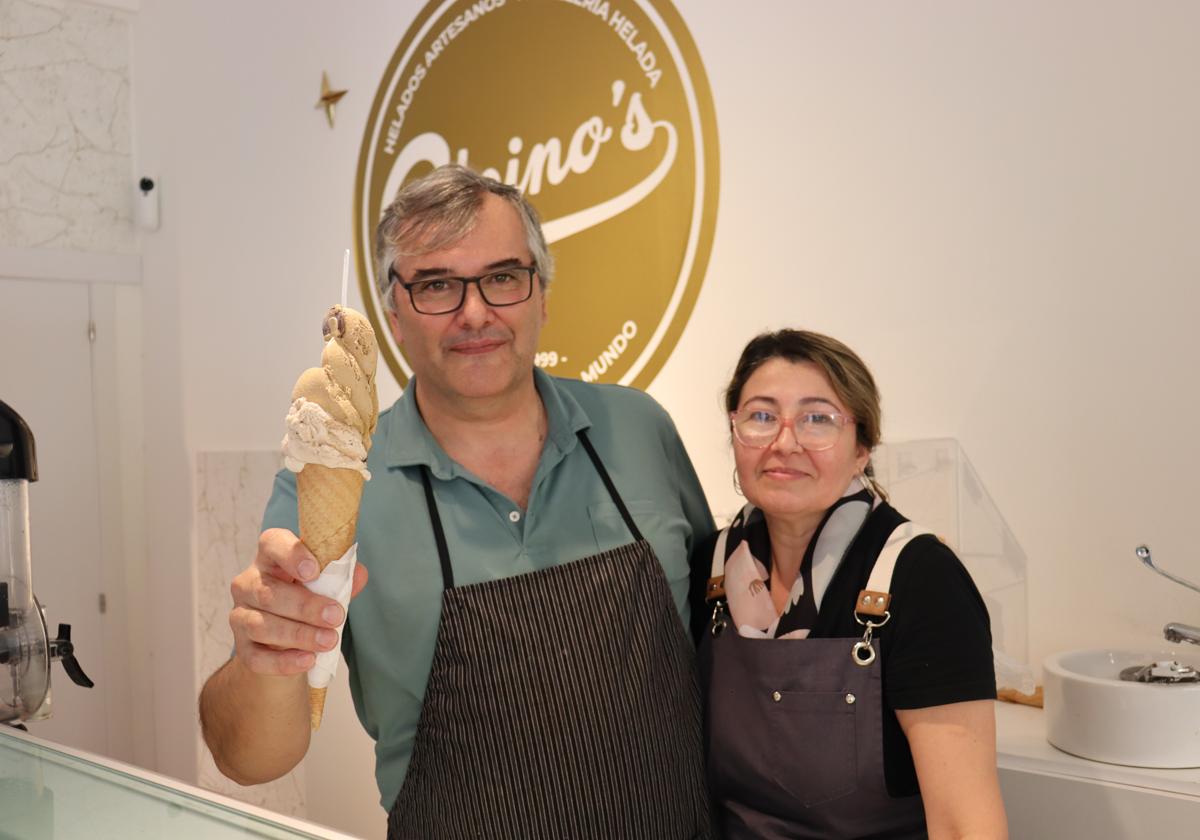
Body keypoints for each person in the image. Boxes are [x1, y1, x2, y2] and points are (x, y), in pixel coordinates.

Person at [199, 165, 715, 838]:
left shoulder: (639, 429)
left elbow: (724, 640)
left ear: (541, 296)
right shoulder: (336, 479)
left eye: (502, 277)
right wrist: (264, 657)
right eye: (437, 285)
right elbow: (248, 760)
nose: (475, 312)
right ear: (394, 315)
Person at [693, 329, 1007, 839]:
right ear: (735, 433)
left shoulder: (920, 578)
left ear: (862, 446)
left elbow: (965, 825)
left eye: (818, 419)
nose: (784, 442)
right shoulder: (711, 568)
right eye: (761, 416)